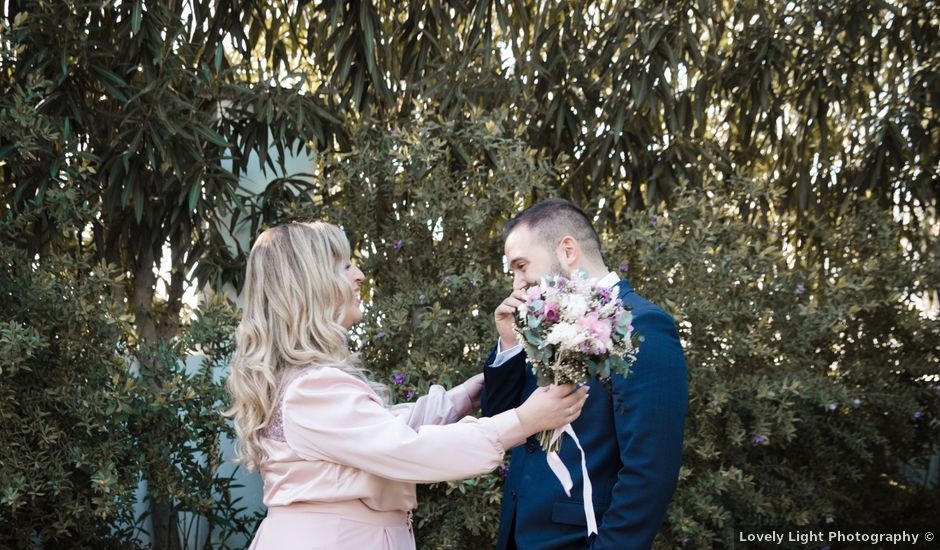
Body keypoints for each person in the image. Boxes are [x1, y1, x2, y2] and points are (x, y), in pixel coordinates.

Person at [225, 221, 589, 550]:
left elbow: (381, 429)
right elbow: (407, 449)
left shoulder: (305, 381)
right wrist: (524, 420)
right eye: (345, 266)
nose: (360, 275)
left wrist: (470, 392)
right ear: (310, 285)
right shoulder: (310, 390)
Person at [482, 199, 688, 550]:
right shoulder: (542, 326)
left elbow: (648, 474)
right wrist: (508, 342)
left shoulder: (644, 327)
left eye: (521, 266)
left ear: (567, 250)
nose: (517, 284)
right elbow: (498, 421)